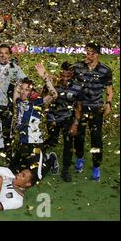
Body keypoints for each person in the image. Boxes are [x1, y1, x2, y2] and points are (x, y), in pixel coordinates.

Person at [71, 43, 113, 181]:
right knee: (79, 135)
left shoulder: (105, 70)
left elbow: (109, 89)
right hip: (80, 107)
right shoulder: (77, 67)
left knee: (96, 138)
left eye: (90, 53)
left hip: (96, 108)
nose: (87, 55)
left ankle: (96, 166)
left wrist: (108, 103)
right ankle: (80, 158)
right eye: (86, 52)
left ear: (97, 55)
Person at [9, 64, 58, 172]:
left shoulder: (37, 103)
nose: (23, 91)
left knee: (36, 174)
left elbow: (54, 95)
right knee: (13, 171)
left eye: (27, 90)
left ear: (31, 92)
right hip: (21, 143)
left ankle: (51, 158)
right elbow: (16, 91)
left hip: (34, 143)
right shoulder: (17, 102)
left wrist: (44, 76)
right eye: (22, 89)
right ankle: (41, 157)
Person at [44, 62, 82, 182]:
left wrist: (75, 124)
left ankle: (65, 169)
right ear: (60, 73)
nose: (65, 78)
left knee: (68, 143)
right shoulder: (53, 84)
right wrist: (47, 84)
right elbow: (43, 99)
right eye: (63, 75)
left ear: (72, 75)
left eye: (68, 76)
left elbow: (78, 107)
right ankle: (39, 159)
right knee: (51, 140)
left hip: (67, 118)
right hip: (53, 117)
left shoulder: (77, 87)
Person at [0, 44, 26, 156]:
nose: (3, 56)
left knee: (6, 133)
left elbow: (25, 80)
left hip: (6, 105)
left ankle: (8, 158)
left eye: (6, 53)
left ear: (10, 55)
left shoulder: (14, 68)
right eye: (1, 53)